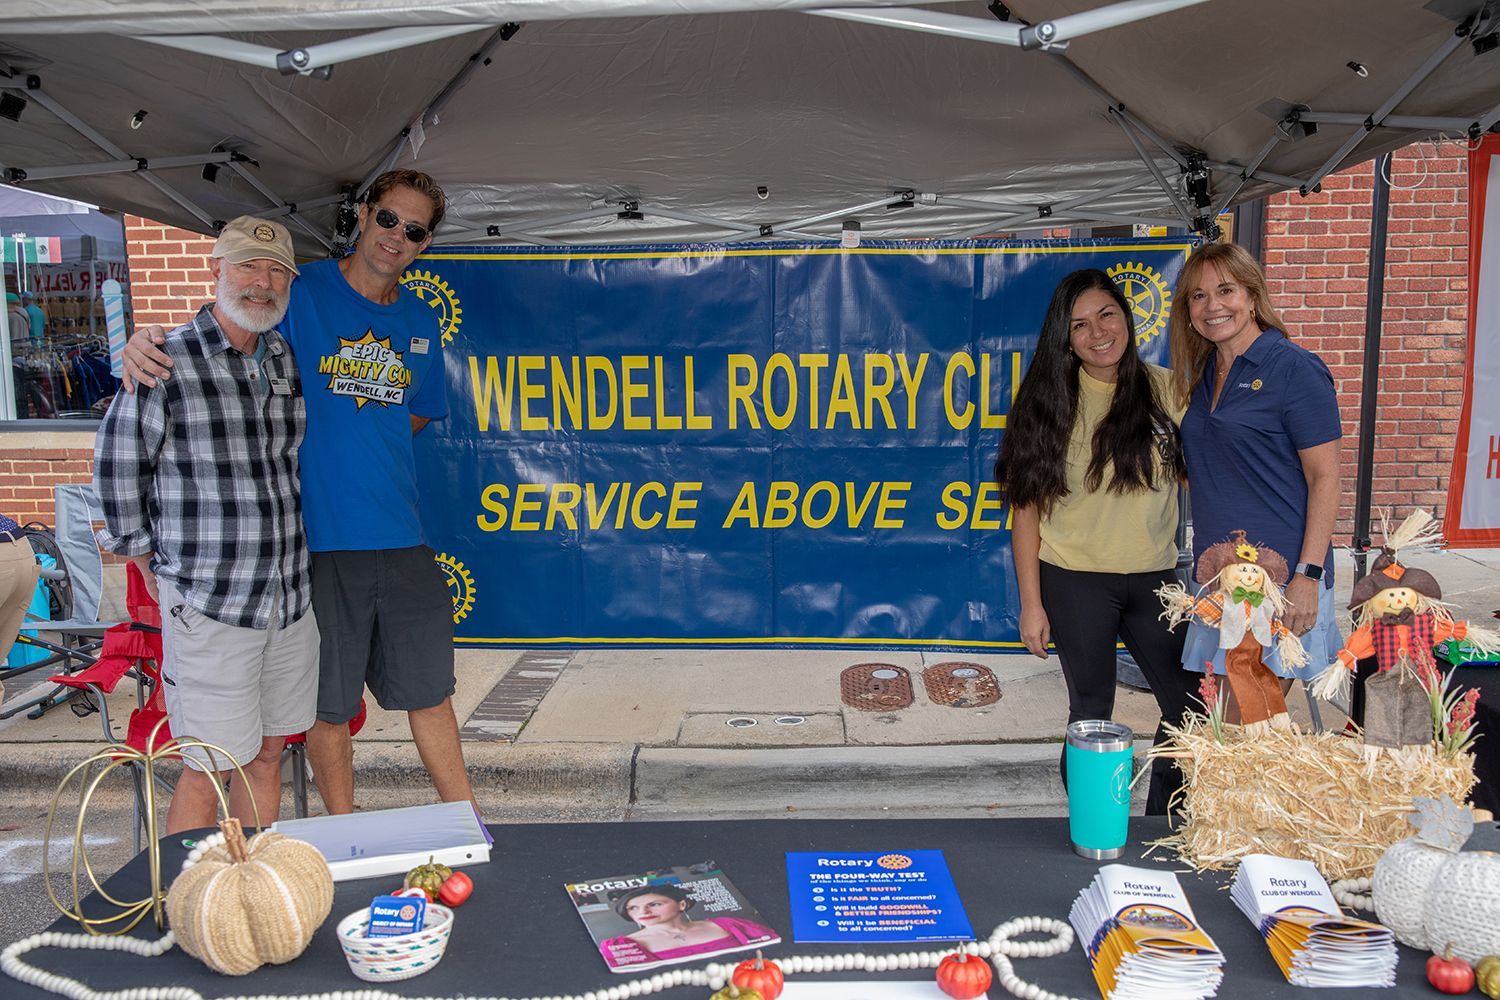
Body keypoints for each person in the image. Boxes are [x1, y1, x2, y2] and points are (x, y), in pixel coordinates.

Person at [121, 169, 476, 816]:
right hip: (312, 545)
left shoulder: (423, 320)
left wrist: (364, 430)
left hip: (400, 536)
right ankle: (343, 835)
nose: (398, 236)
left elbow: (415, 413)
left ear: (426, 243)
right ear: (364, 214)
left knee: (430, 691)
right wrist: (145, 340)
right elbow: (229, 328)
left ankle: (473, 824)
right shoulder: (299, 287)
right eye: (390, 218)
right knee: (325, 709)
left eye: (415, 229)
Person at [95, 216, 315, 834]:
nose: (263, 282)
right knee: (209, 766)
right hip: (212, 604)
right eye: (248, 265)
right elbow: (116, 473)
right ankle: (178, 907)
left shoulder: (281, 357)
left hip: (288, 599)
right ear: (214, 269)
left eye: (277, 271)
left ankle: (252, 896)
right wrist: (149, 564)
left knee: (270, 753)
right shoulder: (164, 359)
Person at [993, 268, 1194, 816]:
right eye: (1080, 325)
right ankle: (1093, 824)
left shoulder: (1169, 390)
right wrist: (1032, 605)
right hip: (1074, 579)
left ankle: (1164, 822)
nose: (1097, 331)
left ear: (1126, 317)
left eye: (1107, 314)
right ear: (1066, 338)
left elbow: (1200, 476)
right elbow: (1026, 516)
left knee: (1189, 704)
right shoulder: (1048, 403)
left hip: (1156, 577)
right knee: (1091, 711)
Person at [1169, 242, 1342, 713]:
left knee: (1245, 729)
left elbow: (1326, 479)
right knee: (1232, 734)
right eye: (1198, 296)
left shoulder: (1294, 368)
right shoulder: (1205, 375)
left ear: (1252, 295)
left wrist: (1307, 575)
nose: (1213, 306)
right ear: (1186, 311)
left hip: (1283, 582)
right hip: (1224, 581)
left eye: (1225, 290)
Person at [599, 885, 778, 970]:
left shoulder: (730, 924)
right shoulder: (618, 945)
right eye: (633, 908)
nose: (644, 911)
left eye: (655, 904)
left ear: (682, 904)